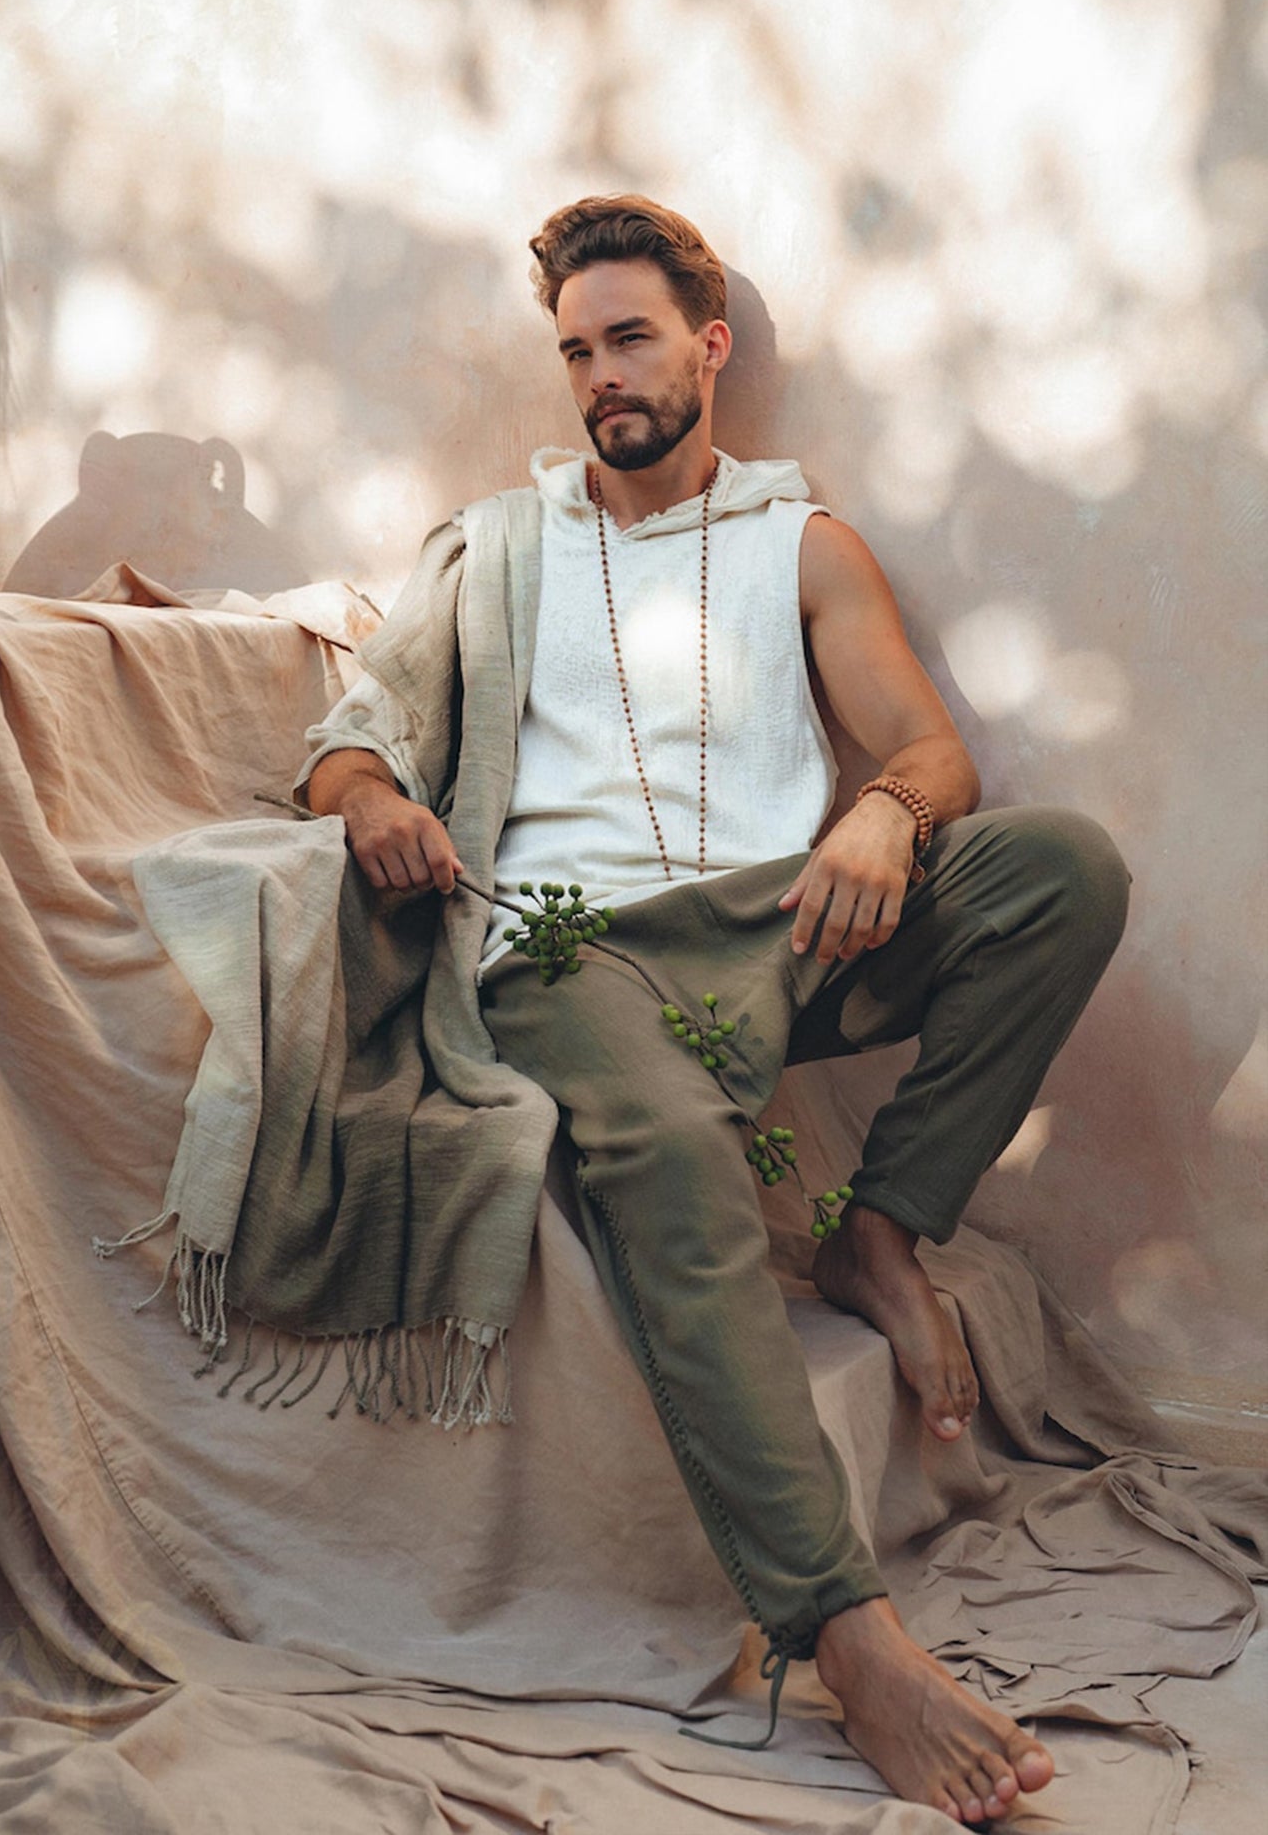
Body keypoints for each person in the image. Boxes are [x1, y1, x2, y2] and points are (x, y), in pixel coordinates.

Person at [302, 196, 1130, 1825]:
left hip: (781, 924)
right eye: (574, 352)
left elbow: (930, 748)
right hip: (573, 949)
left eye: (627, 339)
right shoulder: (498, 544)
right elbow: (350, 736)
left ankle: (880, 1229)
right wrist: (365, 807)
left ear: (706, 346)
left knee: (1061, 870)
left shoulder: (799, 543)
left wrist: (885, 812)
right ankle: (846, 1635)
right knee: (673, 1150)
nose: (600, 376)